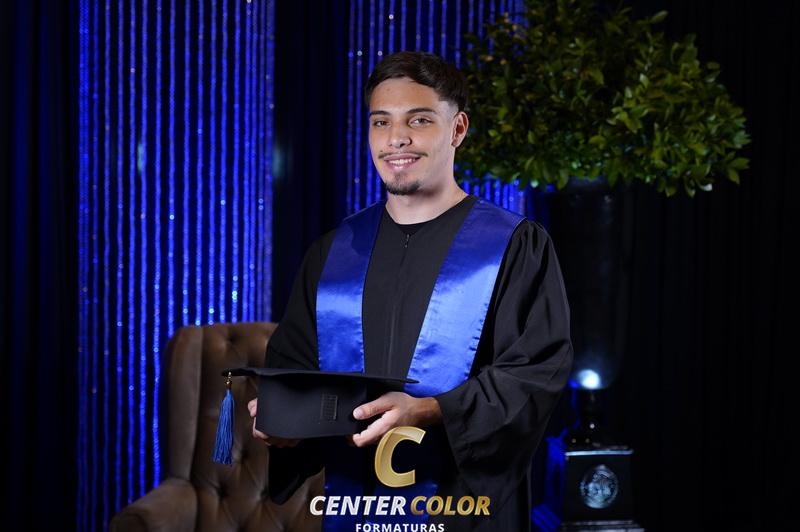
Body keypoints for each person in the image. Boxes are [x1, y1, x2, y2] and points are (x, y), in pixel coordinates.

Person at [249, 51, 573, 531]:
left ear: (457, 129)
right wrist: (285, 421)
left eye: (418, 120)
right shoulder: (333, 253)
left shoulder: (512, 246)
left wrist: (432, 410)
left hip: (466, 512)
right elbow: (294, 367)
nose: (396, 138)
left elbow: (534, 375)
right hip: (358, 507)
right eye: (381, 122)